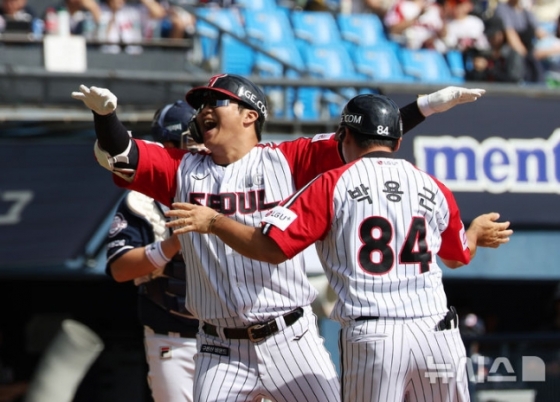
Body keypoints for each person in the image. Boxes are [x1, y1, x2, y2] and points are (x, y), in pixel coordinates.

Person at [71, 74, 486, 401]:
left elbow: (370, 135)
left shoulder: (290, 160)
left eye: (215, 101)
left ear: (250, 114)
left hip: (291, 337)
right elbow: (122, 154)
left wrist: (426, 107)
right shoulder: (179, 168)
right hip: (217, 346)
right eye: (199, 106)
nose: (202, 111)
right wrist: (105, 118)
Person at [165, 93, 513, 402]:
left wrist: (215, 222)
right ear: (398, 139)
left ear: (344, 136)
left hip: (376, 336)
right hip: (438, 334)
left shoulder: (331, 183)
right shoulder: (433, 184)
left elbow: (272, 247)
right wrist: (474, 233)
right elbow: (457, 257)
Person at [105, 100, 202, 402]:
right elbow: (120, 269)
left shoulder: (237, 185)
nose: (198, 149)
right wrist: (172, 245)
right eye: (189, 141)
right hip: (173, 337)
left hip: (233, 337)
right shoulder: (143, 198)